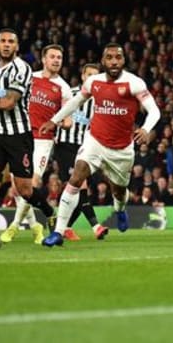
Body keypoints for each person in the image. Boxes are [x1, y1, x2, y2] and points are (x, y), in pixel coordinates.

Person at [39, 43, 161, 247]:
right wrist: (54, 120)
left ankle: (120, 209)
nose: (114, 62)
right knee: (76, 177)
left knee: (119, 190)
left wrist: (146, 128)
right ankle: (58, 232)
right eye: (109, 58)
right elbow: (75, 102)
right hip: (94, 141)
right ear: (103, 61)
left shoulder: (134, 83)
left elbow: (154, 110)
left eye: (118, 57)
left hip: (122, 149)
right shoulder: (94, 82)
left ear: (123, 60)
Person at [0, 28, 56, 249]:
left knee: (24, 189)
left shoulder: (21, 68)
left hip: (18, 135)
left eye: (10, 42)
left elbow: (8, 102)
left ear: (17, 46)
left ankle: (49, 212)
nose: (6, 45)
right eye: (3, 41)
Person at [0, 44, 72, 245]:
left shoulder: (64, 88)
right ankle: (36, 227)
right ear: (44, 59)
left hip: (43, 140)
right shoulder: (30, 78)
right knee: (19, 188)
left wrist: (59, 123)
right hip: (20, 136)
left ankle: (14, 226)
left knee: (32, 183)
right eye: (53, 57)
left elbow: (68, 120)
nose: (56, 60)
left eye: (59, 57)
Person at [55, 63, 109, 241]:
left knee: (78, 192)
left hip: (84, 148)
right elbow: (55, 113)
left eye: (96, 76)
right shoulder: (70, 93)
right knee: (80, 187)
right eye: (89, 75)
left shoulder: (99, 101)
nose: (92, 78)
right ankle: (96, 227)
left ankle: (65, 227)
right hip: (65, 146)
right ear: (83, 76)